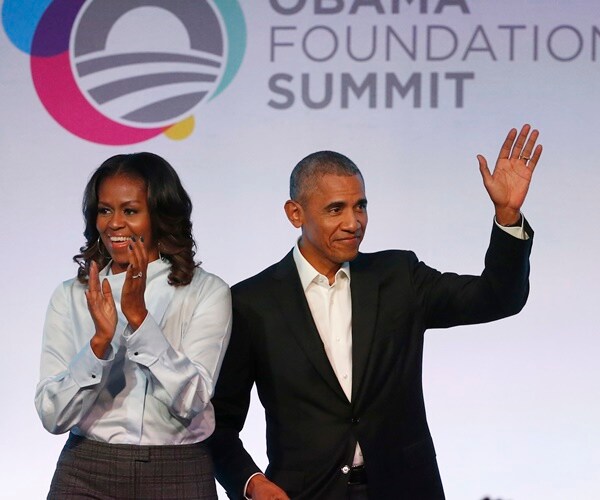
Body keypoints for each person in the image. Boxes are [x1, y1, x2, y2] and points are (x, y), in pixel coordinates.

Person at [207, 125, 542, 499]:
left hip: (406, 488)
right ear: (295, 213)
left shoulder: (399, 277)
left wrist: (508, 216)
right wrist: (252, 484)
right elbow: (218, 422)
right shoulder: (251, 302)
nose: (354, 223)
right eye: (336, 209)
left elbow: (498, 298)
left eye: (360, 206)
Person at [35, 152, 232, 499]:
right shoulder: (71, 295)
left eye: (129, 211)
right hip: (87, 469)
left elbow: (192, 400)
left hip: (179, 470)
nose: (114, 224)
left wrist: (140, 320)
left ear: (159, 215)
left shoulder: (206, 291)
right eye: (104, 210)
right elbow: (53, 415)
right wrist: (99, 344)